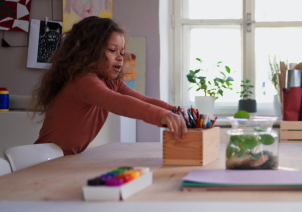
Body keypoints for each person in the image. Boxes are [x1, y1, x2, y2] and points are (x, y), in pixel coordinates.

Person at [33, 16, 187, 155]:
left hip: (65, 158)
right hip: (45, 158)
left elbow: (143, 101)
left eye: (121, 52)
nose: (120, 58)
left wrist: (173, 110)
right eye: (112, 50)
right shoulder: (83, 81)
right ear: (88, 51)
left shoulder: (111, 83)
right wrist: (162, 115)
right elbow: (118, 102)